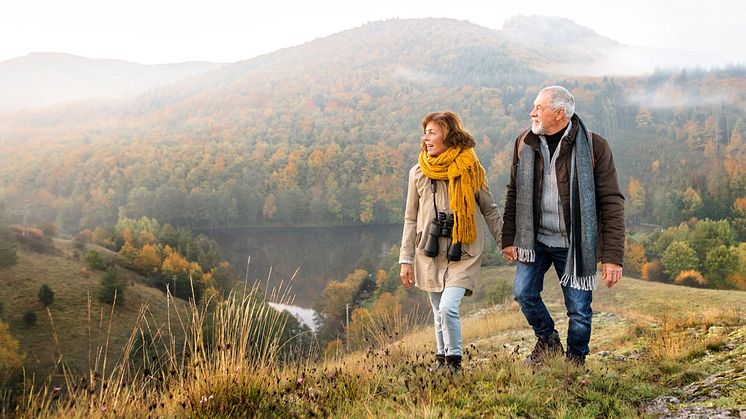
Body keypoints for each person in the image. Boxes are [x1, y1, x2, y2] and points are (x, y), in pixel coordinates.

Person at [501, 86, 625, 366]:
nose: (532, 113)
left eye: (539, 108)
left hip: (575, 243)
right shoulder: (525, 142)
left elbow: (612, 202)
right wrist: (509, 237)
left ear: (559, 113)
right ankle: (548, 340)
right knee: (524, 293)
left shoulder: (595, 147)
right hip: (536, 239)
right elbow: (514, 192)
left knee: (579, 311)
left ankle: (575, 362)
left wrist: (612, 257)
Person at [399, 111, 502, 372]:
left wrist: (504, 242)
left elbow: (489, 209)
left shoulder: (470, 169)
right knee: (437, 310)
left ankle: (454, 363)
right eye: (425, 133)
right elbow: (410, 218)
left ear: (448, 135)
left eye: (432, 132)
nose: (426, 138)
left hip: (463, 250)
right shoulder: (418, 173)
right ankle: (442, 360)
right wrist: (405, 259)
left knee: (447, 308)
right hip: (429, 251)